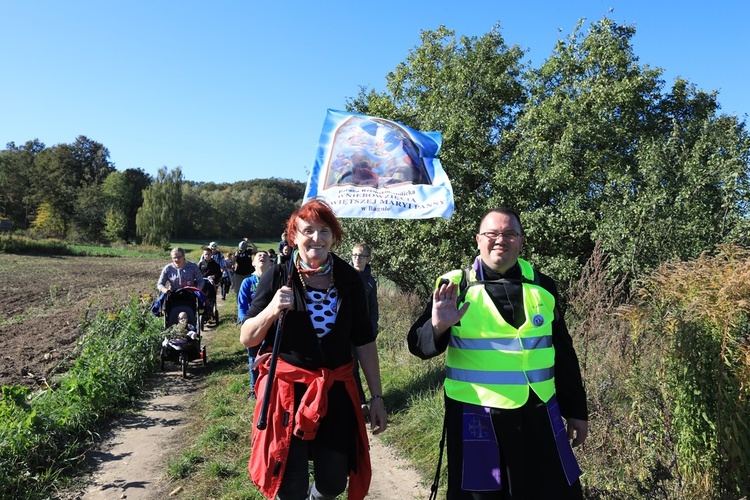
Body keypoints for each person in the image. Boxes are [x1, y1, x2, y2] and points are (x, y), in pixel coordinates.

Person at [407, 207, 588, 499]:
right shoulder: (455, 286)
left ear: (521, 241)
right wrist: (439, 326)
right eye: (492, 234)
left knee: (555, 492)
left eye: (509, 234)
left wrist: (577, 411)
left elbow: (564, 355)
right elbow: (418, 344)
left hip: (538, 412)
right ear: (478, 240)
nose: (500, 240)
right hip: (476, 414)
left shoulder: (543, 286)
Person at [240, 198, 387, 500]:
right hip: (287, 394)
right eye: (308, 230)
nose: (316, 239)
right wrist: (271, 310)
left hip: (334, 394)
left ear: (334, 237)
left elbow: (364, 340)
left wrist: (376, 397)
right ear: (294, 236)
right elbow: (248, 338)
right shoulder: (278, 276)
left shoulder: (349, 279)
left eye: (324, 231)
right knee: (289, 483)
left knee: (333, 483)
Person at [237, 250, 272, 399]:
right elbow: (242, 305)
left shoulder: (274, 281)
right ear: (253, 263)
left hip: (271, 325)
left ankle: (271, 386)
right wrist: (245, 323)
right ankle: (254, 388)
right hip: (253, 326)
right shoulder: (248, 282)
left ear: (271, 262)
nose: (262, 257)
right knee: (253, 356)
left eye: (266, 256)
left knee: (272, 355)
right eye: (259, 256)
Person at [349, 243, 379, 417]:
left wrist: (373, 329)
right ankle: (359, 402)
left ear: (368, 258)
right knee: (351, 366)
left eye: (360, 256)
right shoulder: (345, 275)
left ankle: (371, 399)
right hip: (347, 329)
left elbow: (373, 307)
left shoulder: (370, 280)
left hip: (364, 331)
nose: (356, 259)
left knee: (365, 365)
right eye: (354, 255)